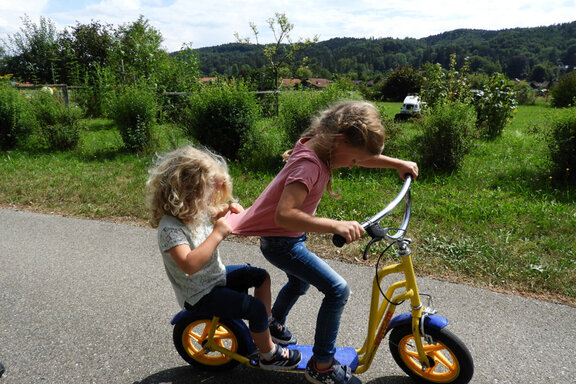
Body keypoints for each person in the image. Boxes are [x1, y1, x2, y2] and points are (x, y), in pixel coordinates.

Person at [226, 101, 419, 384]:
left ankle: (272, 324)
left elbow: (363, 156)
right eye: (352, 160)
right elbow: (285, 214)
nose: (353, 165)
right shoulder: (308, 165)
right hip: (282, 242)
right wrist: (335, 225)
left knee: (299, 282)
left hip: (288, 238)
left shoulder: (322, 147)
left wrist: (396, 164)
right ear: (339, 142)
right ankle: (323, 365)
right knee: (338, 290)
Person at [146, 145, 301, 371]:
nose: (209, 198)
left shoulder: (192, 210)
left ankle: (264, 326)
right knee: (255, 308)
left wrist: (228, 209)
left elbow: (214, 212)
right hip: (200, 293)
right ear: (187, 192)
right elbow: (189, 264)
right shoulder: (170, 229)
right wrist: (217, 234)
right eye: (206, 193)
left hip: (214, 277)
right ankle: (269, 355)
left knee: (259, 277)